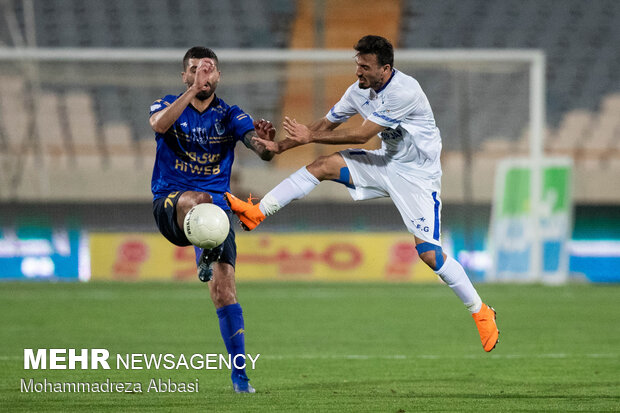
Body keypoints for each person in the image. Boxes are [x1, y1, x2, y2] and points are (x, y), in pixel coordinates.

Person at [225, 35, 499, 352]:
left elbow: (362, 134)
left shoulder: (404, 91)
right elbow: (326, 124)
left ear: (385, 69)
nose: (359, 73)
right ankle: (257, 212)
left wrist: (310, 135)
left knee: (429, 255)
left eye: (365, 67)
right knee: (323, 166)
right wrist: (280, 146)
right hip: (386, 163)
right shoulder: (358, 91)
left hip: (417, 178)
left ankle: (480, 311)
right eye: (357, 65)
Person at [149, 46, 276, 393]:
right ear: (185, 76)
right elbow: (159, 126)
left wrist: (266, 143)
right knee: (200, 199)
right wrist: (191, 91)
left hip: (215, 220)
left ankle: (240, 378)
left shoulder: (230, 115)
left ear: (219, 76)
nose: (202, 75)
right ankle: (205, 250)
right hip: (172, 206)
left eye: (209, 70)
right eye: (194, 69)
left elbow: (260, 149)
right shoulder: (165, 104)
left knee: (225, 294)